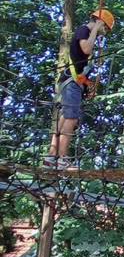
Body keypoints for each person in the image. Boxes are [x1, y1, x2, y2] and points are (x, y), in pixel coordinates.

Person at [44, 9, 115, 169]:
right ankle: (62, 158)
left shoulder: (87, 33)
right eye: (105, 29)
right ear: (100, 23)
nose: (104, 33)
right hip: (70, 84)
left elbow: (77, 67)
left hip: (72, 82)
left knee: (64, 119)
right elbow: (86, 49)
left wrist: (88, 85)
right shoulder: (84, 30)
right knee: (71, 119)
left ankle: (51, 157)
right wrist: (96, 28)